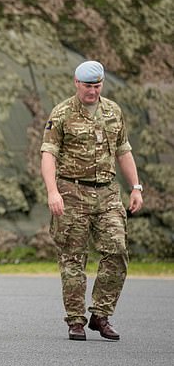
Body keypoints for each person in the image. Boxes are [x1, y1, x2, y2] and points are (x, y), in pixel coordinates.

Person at [40, 60, 143, 341]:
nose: (93, 91)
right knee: (73, 259)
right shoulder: (62, 113)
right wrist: (52, 192)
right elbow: (48, 153)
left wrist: (136, 187)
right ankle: (75, 320)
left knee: (117, 251)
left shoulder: (112, 110)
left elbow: (124, 150)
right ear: (76, 83)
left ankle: (101, 314)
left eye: (97, 86)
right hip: (72, 193)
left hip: (107, 193)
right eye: (88, 86)